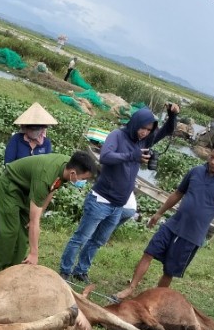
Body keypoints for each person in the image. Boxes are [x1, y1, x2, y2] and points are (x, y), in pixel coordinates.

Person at [59, 104, 178, 283]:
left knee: (98, 241)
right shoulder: (118, 135)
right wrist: (132, 155)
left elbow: (167, 130)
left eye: (148, 129)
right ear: (135, 123)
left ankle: (81, 270)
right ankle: (64, 271)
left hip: (118, 205)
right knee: (81, 238)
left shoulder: (143, 142)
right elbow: (105, 156)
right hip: (100, 200)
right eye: (142, 128)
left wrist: (172, 115)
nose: (145, 132)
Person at [113, 138, 214, 300]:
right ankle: (130, 289)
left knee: (169, 270)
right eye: (211, 157)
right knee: (149, 252)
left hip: (192, 235)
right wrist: (159, 213)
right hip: (172, 224)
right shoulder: (196, 171)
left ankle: (154, 301)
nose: (213, 162)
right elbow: (178, 194)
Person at [0, 150, 98, 276]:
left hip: (28, 188)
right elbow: (34, 221)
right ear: (73, 173)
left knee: (23, 233)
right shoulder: (45, 177)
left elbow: (52, 189)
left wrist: (39, 213)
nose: (83, 182)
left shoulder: (67, 167)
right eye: (83, 179)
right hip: (11, 185)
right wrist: (34, 253)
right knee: (10, 231)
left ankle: (14, 271)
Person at [0, 103, 56, 251]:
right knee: (0, 215)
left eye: (38, 129)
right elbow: (8, 163)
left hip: (31, 188)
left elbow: (47, 166)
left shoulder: (45, 144)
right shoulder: (16, 140)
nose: (35, 132)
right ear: (25, 128)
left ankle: (15, 247)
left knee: (23, 218)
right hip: (11, 183)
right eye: (31, 128)